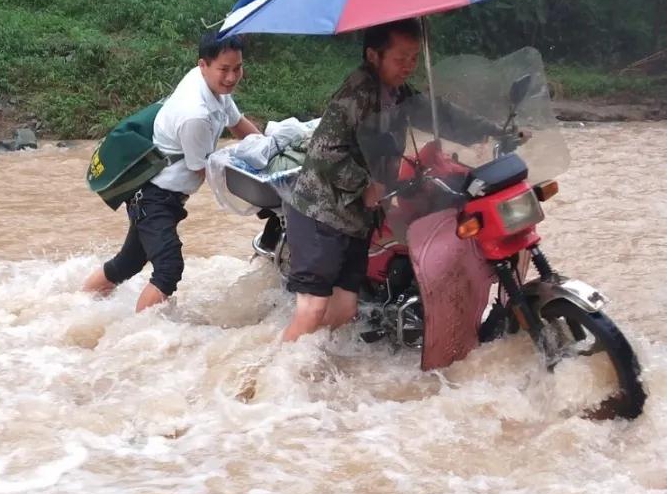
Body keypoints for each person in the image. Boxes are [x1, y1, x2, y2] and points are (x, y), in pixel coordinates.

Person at [281, 19, 499, 343]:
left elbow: (438, 113)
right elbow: (324, 150)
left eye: (414, 57)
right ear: (374, 55)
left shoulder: (398, 93)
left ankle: (312, 364)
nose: (409, 66)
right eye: (400, 58)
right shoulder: (357, 93)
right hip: (321, 213)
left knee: (344, 309)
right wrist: (364, 185)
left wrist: (489, 130)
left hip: (357, 217)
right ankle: (272, 368)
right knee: (313, 309)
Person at [83, 31, 262, 311]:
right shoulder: (195, 114)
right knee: (168, 268)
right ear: (203, 65)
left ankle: (76, 304)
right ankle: (138, 332)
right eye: (224, 69)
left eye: (237, 68)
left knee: (127, 263)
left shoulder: (212, 87)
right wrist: (259, 191)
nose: (231, 77)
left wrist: (268, 149)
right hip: (154, 197)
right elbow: (205, 171)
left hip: (160, 194)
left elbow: (237, 123)